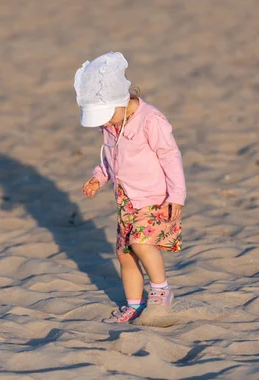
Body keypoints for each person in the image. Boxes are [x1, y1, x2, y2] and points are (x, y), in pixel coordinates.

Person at [74, 52, 186, 323]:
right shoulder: (111, 124)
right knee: (125, 254)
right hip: (126, 201)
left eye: (107, 117)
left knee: (141, 242)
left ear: (121, 101)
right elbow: (111, 158)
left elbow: (170, 156)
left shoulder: (150, 120)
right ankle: (133, 305)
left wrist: (177, 195)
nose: (105, 124)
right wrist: (99, 177)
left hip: (154, 198)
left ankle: (161, 290)